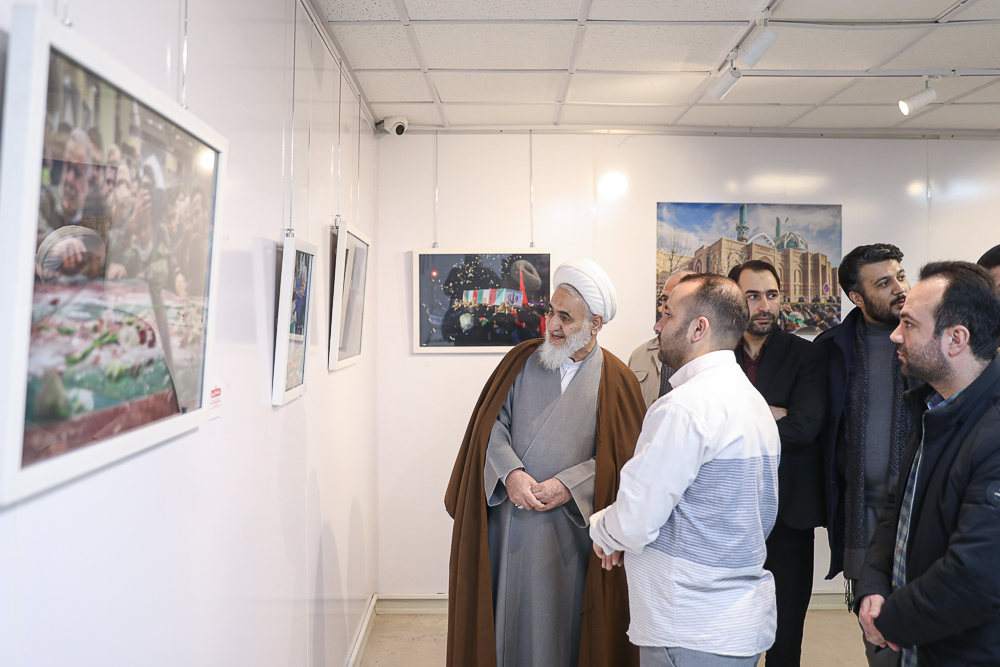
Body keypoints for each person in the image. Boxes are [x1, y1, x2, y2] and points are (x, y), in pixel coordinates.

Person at [445, 259, 646, 667]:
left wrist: (568, 486)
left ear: (595, 323)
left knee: (560, 631)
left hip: (571, 534)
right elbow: (491, 426)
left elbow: (623, 461)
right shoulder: (521, 361)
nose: (552, 324)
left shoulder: (618, 379)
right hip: (509, 523)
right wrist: (510, 473)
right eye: (551, 311)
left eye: (565, 317)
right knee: (506, 624)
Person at [590, 273, 780, 667]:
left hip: (688, 625)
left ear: (698, 328)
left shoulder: (683, 408)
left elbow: (635, 522)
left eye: (667, 314)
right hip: (734, 623)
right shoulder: (753, 402)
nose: (657, 326)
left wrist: (602, 530)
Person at [855, 261, 1000, 665]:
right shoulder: (934, 407)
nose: (895, 334)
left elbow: (976, 576)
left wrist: (889, 622)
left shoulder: (992, 433)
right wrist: (873, 584)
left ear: (956, 339)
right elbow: (898, 510)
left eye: (909, 324)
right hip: (917, 646)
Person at [814, 243, 916, 667]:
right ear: (857, 297)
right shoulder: (831, 349)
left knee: (925, 629)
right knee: (877, 635)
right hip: (860, 516)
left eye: (900, 276)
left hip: (919, 508)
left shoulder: (928, 339)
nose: (900, 288)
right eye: (884, 283)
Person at [727, 261, 827, 667]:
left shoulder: (806, 354)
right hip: (727, 513)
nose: (764, 305)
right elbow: (702, 425)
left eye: (771, 295)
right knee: (729, 632)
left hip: (789, 515)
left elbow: (804, 427)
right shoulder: (716, 353)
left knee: (785, 637)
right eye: (752, 296)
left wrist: (734, 421)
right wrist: (771, 413)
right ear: (734, 299)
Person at [628, 270, 693, 408]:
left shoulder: (705, 357)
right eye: (665, 300)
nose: (667, 307)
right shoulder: (639, 355)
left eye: (677, 300)